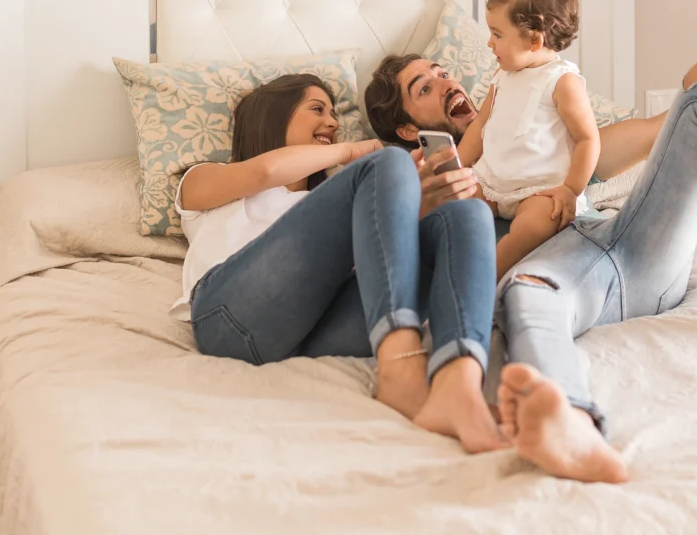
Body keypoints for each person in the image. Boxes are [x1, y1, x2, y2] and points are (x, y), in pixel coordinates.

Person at [365, 41, 697, 483]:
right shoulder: (423, 195)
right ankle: (574, 423)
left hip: (635, 242)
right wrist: (435, 202)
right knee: (526, 292)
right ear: (410, 128)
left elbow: (660, 132)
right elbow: (438, 283)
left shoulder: (540, 128)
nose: (447, 81)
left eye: (442, 71)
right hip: (559, 278)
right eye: (424, 87)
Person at [174, 73, 505, 454]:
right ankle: (399, 366)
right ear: (271, 116)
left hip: (311, 334)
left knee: (466, 216)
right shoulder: (204, 179)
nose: (333, 123)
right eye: (317, 110)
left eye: (334, 114)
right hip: (228, 318)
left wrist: (416, 200)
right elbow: (265, 172)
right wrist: (356, 154)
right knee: (390, 162)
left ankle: (458, 385)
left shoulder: (338, 204)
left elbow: (381, 272)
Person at [457, 0, 600, 276]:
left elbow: (588, 139)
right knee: (457, 205)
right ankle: (449, 258)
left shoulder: (562, 81)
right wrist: (458, 168)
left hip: (538, 190)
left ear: (535, 39)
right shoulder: (502, 75)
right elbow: (480, 126)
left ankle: (488, 274)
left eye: (497, 34)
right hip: (491, 182)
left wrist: (570, 190)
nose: (489, 42)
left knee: (535, 224)